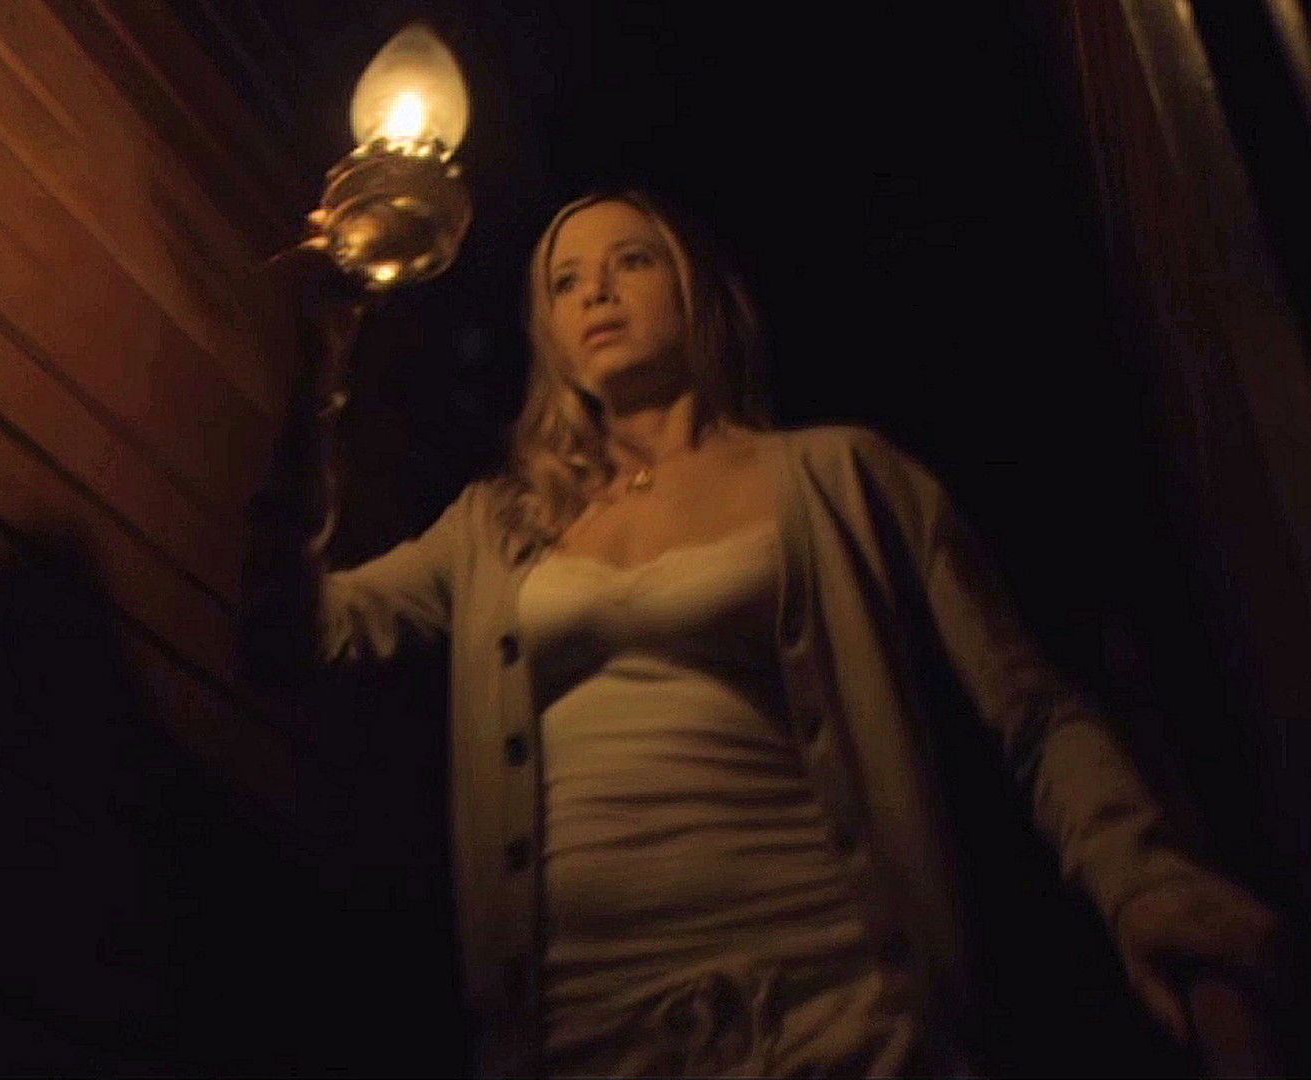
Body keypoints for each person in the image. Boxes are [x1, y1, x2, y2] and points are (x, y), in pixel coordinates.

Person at [245, 190, 1285, 1077]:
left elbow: (1032, 709)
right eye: (564, 281)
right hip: (586, 1040)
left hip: (840, 1016)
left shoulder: (840, 476)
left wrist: (1140, 879)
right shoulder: (493, 525)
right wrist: (314, 388)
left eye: (631, 261)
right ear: (546, 332)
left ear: (695, 292)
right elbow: (299, 638)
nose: (596, 291)